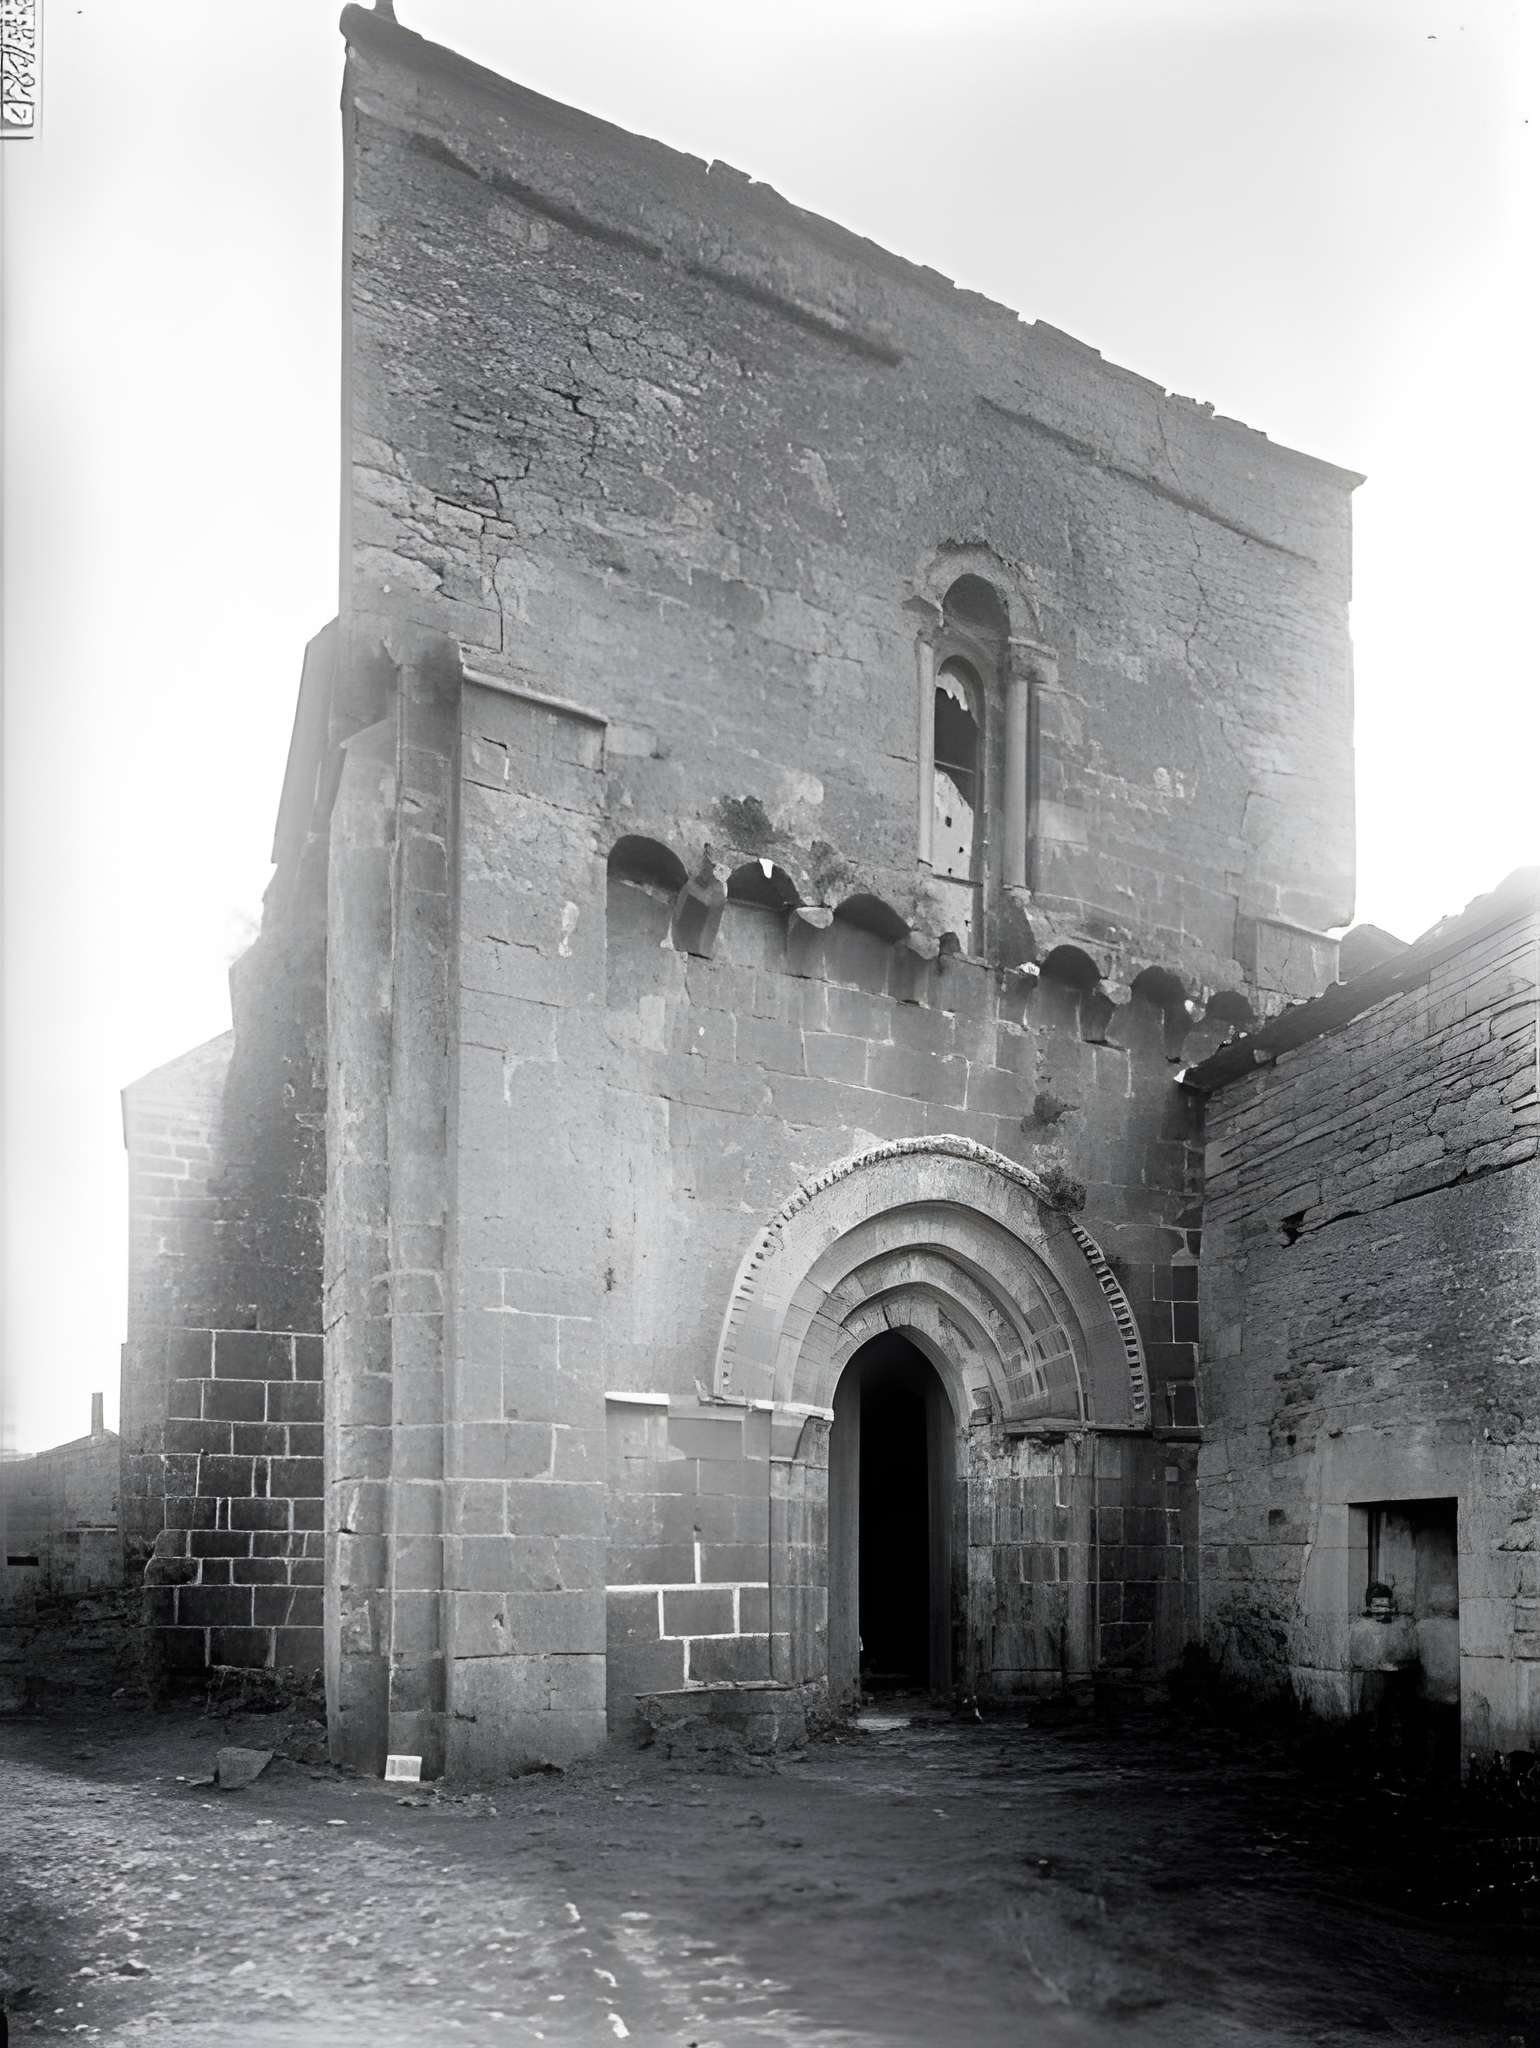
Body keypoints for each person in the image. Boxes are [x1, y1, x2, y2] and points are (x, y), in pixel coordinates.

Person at [1348, 1580, 1417, 1762]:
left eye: (1385, 1605)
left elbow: (1409, 1652)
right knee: (1372, 1722)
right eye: (1376, 1605)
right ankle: (1372, 1763)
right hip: (1372, 1680)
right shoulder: (1361, 1628)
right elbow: (1357, 1657)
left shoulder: (1397, 1627)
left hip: (1395, 1680)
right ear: (1369, 1606)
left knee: (1396, 1722)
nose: (1381, 1609)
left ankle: (1394, 1765)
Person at [1414, 1584, 1461, 1782]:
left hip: (1428, 1691)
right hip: (1453, 1694)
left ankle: (1428, 1774)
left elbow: (1412, 1655)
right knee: (1448, 1739)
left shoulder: (1421, 1627)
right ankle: (1446, 1775)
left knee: (1429, 1738)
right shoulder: (1460, 1627)